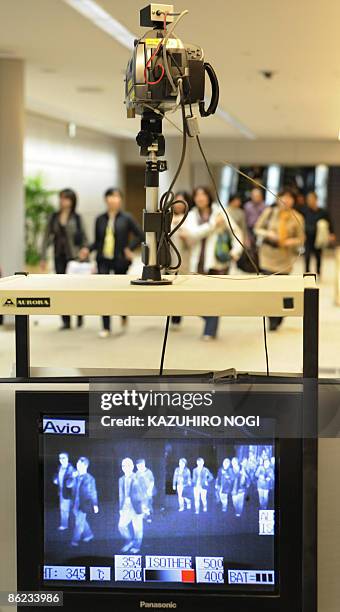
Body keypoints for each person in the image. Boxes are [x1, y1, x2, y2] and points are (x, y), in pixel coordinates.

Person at [182, 186, 242, 340]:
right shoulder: (191, 215)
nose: (200, 198)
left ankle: (209, 330)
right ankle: (211, 320)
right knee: (194, 299)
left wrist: (235, 251)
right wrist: (212, 225)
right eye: (197, 195)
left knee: (215, 297)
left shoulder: (220, 212)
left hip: (217, 262)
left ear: (209, 197)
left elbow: (237, 232)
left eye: (203, 194)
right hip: (198, 263)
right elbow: (193, 235)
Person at [87, 188, 144, 338]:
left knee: (119, 291)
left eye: (117, 197)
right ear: (106, 200)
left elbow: (141, 235)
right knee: (104, 292)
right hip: (103, 259)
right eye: (111, 197)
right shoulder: (100, 219)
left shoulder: (127, 218)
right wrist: (88, 249)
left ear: (121, 200)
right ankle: (106, 326)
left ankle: (123, 313)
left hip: (120, 260)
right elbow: (98, 241)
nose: (114, 200)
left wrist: (129, 248)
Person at [255, 189, 305, 331]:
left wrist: (291, 241)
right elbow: (257, 228)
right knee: (269, 289)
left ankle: (280, 316)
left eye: (290, 198)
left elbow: (301, 238)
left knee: (283, 290)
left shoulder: (297, 217)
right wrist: (268, 233)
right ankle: (272, 319)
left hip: (285, 258)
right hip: (267, 256)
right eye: (284, 197)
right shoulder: (269, 213)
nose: (286, 201)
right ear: (278, 199)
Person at [41, 188, 88, 330]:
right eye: (61, 198)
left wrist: (84, 250)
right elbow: (46, 238)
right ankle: (66, 320)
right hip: (58, 256)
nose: (63, 201)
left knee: (75, 288)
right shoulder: (54, 217)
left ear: (72, 201)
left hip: (73, 257)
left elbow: (84, 237)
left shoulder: (77, 218)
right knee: (61, 287)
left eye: (66, 198)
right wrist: (43, 257)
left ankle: (79, 314)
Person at [170, 191, 192, 329]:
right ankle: (172, 315)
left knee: (180, 289)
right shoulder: (167, 218)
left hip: (183, 258)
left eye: (181, 202)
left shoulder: (190, 218)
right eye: (176, 201)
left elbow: (192, 238)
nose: (178, 205)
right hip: (169, 258)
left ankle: (177, 317)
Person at [303, 191, 335, 277]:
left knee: (318, 255)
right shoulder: (305, 211)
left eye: (312, 199)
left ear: (316, 200)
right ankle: (307, 273)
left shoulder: (323, 212)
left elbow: (330, 223)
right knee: (307, 255)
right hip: (308, 237)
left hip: (318, 238)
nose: (310, 201)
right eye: (308, 199)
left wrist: (332, 234)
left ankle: (318, 272)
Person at [70, 457, 98, 547]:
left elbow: (93, 492)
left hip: (84, 504)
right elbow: (68, 485)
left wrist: (95, 504)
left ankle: (74, 541)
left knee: (79, 523)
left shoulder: (90, 478)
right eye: (77, 464)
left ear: (85, 465)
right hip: (74, 503)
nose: (78, 466)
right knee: (82, 521)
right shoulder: (75, 476)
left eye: (80, 465)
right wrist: (72, 477)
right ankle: (89, 535)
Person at [118, 457, 144, 553]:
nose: (125, 467)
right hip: (125, 507)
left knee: (137, 528)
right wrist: (120, 508)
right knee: (121, 525)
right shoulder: (121, 479)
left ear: (132, 466)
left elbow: (143, 493)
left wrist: (144, 508)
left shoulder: (138, 477)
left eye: (128, 465)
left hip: (137, 506)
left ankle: (136, 546)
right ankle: (129, 541)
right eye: (123, 465)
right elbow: (121, 494)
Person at [53, 452, 74, 531]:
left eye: (63, 458)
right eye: (60, 458)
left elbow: (72, 481)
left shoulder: (71, 468)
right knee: (63, 509)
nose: (61, 460)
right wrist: (55, 480)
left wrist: (70, 482)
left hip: (69, 493)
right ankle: (65, 525)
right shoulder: (59, 467)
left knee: (70, 510)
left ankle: (68, 525)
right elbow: (56, 476)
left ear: (67, 458)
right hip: (61, 492)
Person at [244, 187, 266, 253]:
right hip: (249, 230)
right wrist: (245, 236)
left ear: (261, 196)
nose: (255, 197)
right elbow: (244, 220)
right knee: (249, 250)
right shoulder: (247, 206)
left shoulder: (265, 207)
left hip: (261, 231)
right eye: (254, 196)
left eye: (257, 196)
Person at [135, 458, 155, 523]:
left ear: (144, 464)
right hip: (141, 491)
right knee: (142, 504)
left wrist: (150, 489)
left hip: (148, 491)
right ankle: (144, 516)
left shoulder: (149, 472)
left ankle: (148, 516)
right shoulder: (137, 473)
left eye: (140, 466)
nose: (139, 468)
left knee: (147, 504)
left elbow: (152, 481)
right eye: (137, 467)